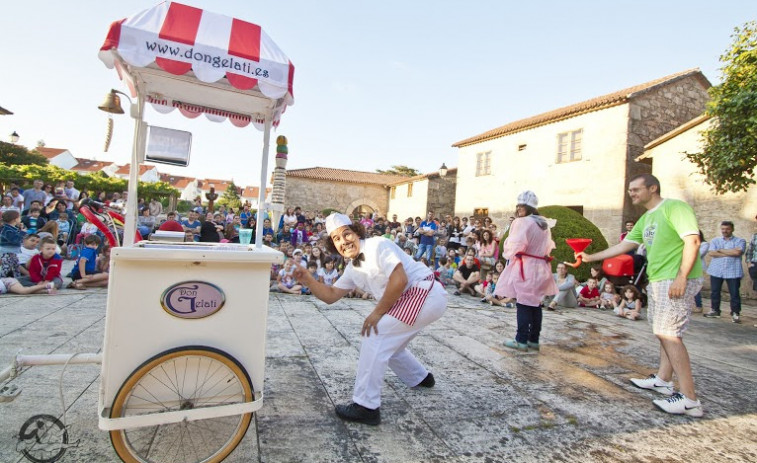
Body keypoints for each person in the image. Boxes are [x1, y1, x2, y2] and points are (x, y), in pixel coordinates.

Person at [291, 213, 446, 425]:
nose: (343, 241)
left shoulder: (377, 245)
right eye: (336, 239)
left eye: (346, 234)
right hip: (414, 298)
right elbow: (330, 295)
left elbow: (399, 280)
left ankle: (366, 407)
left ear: (357, 232)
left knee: (375, 334)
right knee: (389, 343)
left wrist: (376, 313)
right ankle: (420, 377)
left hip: (423, 292)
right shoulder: (351, 268)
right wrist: (308, 280)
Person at [577, 173, 704, 417]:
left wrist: (681, 277)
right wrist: (591, 257)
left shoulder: (675, 207)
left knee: (670, 333)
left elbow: (693, 241)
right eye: (630, 190)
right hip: (657, 279)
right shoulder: (646, 218)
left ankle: (690, 399)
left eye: (636, 189)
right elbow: (624, 246)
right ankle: (664, 380)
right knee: (662, 330)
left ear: (652, 188)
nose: (631, 194)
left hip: (674, 278)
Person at [494, 191, 557, 352]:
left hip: (526, 265)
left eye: (522, 205)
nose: (519, 208)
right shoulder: (543, 223)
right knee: (535, 303)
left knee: (523, 303)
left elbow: (515, 244)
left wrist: (509, 253)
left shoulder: (522, 222)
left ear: (529, 207)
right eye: (519, 205)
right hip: (541, 266)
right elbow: (548, 246)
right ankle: (533, 339)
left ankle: (521, 340)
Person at [704, 220, 746, 323]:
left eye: (727, 229)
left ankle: (735, 313)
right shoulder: (715, 240)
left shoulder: (740, 241)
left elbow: (738, 252)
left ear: (732, 229)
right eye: (723, 229)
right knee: (715, 292)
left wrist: (721, 250)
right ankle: (715, 310)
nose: (725, 231)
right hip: (716, 270)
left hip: (733, 270)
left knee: (734, 293)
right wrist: (730, 252)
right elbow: (712, 253)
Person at [1, 210, 26, 278]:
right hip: (6, 253)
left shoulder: (13, 228)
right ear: (15, 219)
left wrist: (20, 229)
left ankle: (17, 280)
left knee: (16, 267)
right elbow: (14, 240)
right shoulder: (7, 229)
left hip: (13, 252)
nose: (20, 219)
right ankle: (3, 281)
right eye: (19, 217)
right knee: (6, 268)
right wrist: (22, 233)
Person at [693, 230, 709, 313]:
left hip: (698, 268)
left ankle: (699, 305)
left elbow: (698, 254)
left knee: (696, 287)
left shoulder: (704, 244)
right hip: (688, 267)